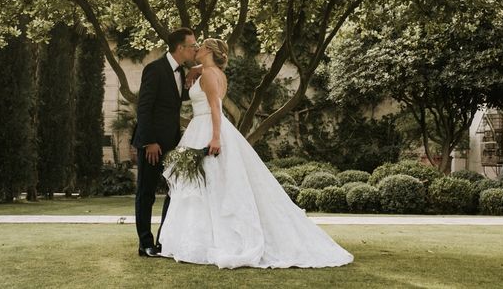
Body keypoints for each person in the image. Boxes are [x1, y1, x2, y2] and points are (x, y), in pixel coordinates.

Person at [158, 38, 353, 269]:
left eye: (200, 46)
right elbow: (209, 76)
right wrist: (196, 69)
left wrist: (216, 137)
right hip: (202, 126)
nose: (196, 48)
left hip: (208, 127)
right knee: (209, 185)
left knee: (208, 184)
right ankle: (204, 237)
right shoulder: (214, 72)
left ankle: (211, 240)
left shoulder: (209, 75)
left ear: (209, 50)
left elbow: (215, 108)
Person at [132, 27, 198, 258]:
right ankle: (145, 243)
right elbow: (144, 107)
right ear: (181, 48)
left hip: (172, 145)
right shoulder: (155, 69)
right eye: (193, 46)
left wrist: (199, 68)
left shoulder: (182, 72)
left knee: (175, 190)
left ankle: (163, 239)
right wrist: (149, 141)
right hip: (152, 144)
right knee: (146, 193)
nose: (195, 49)